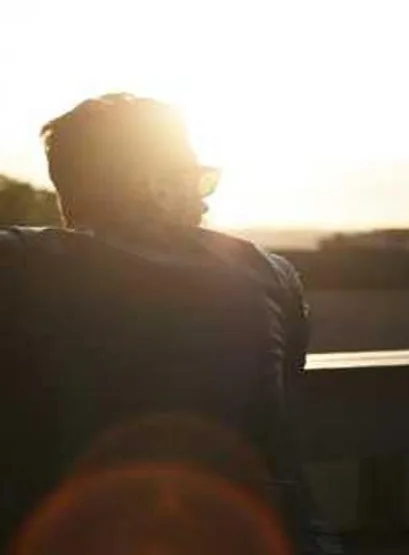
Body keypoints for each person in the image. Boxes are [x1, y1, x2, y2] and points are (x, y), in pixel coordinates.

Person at [0, 93, 337, 554]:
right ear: (157, 186)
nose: (204, 203)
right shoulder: (270, 276)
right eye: (196, 180)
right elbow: (281, 395)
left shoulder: (20, 265)